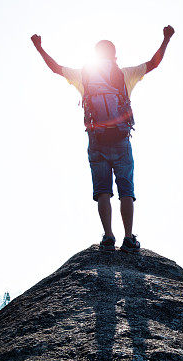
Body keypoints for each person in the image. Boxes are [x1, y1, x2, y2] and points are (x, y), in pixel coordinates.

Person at [31, 26, 174, 253]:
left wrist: (39, 48)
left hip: (96, 141)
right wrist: (167, 38)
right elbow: (154, 63)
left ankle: (108, 237)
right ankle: (128, 238)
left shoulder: (84, 76)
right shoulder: (125, 75)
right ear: (114, 56)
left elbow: (56, 68)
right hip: (121, 139)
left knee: (103, 191)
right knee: (126, 189)